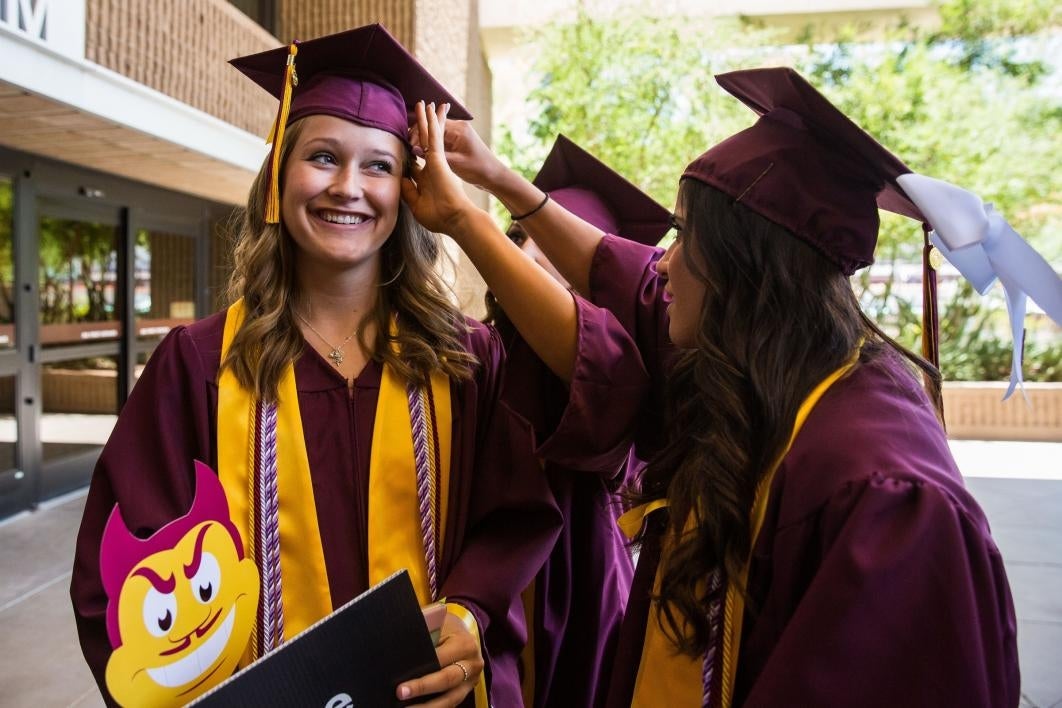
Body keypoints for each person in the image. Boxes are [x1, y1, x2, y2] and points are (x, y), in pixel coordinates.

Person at [405, 67, 1022, 706]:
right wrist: (499, 183)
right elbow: (634, 282)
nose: (663, 259)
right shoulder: (779, 362)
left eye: (683, 236)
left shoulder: (880, 489)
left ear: (740, 271)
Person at [69, 24, 643, 708]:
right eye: (322, 157)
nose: (348, 187)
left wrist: (469, 613)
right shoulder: (199, 364)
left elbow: (516, 517)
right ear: (279, 176)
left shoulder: (465, 360)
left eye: (378, 166)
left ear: (409, 192)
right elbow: (127, 571)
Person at [482, 135, 671, 708]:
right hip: (485, 581)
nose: (531, 262)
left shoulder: (614, 375)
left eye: (554, 256)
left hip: (578, 586)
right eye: (522, 243)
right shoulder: (477, 351)